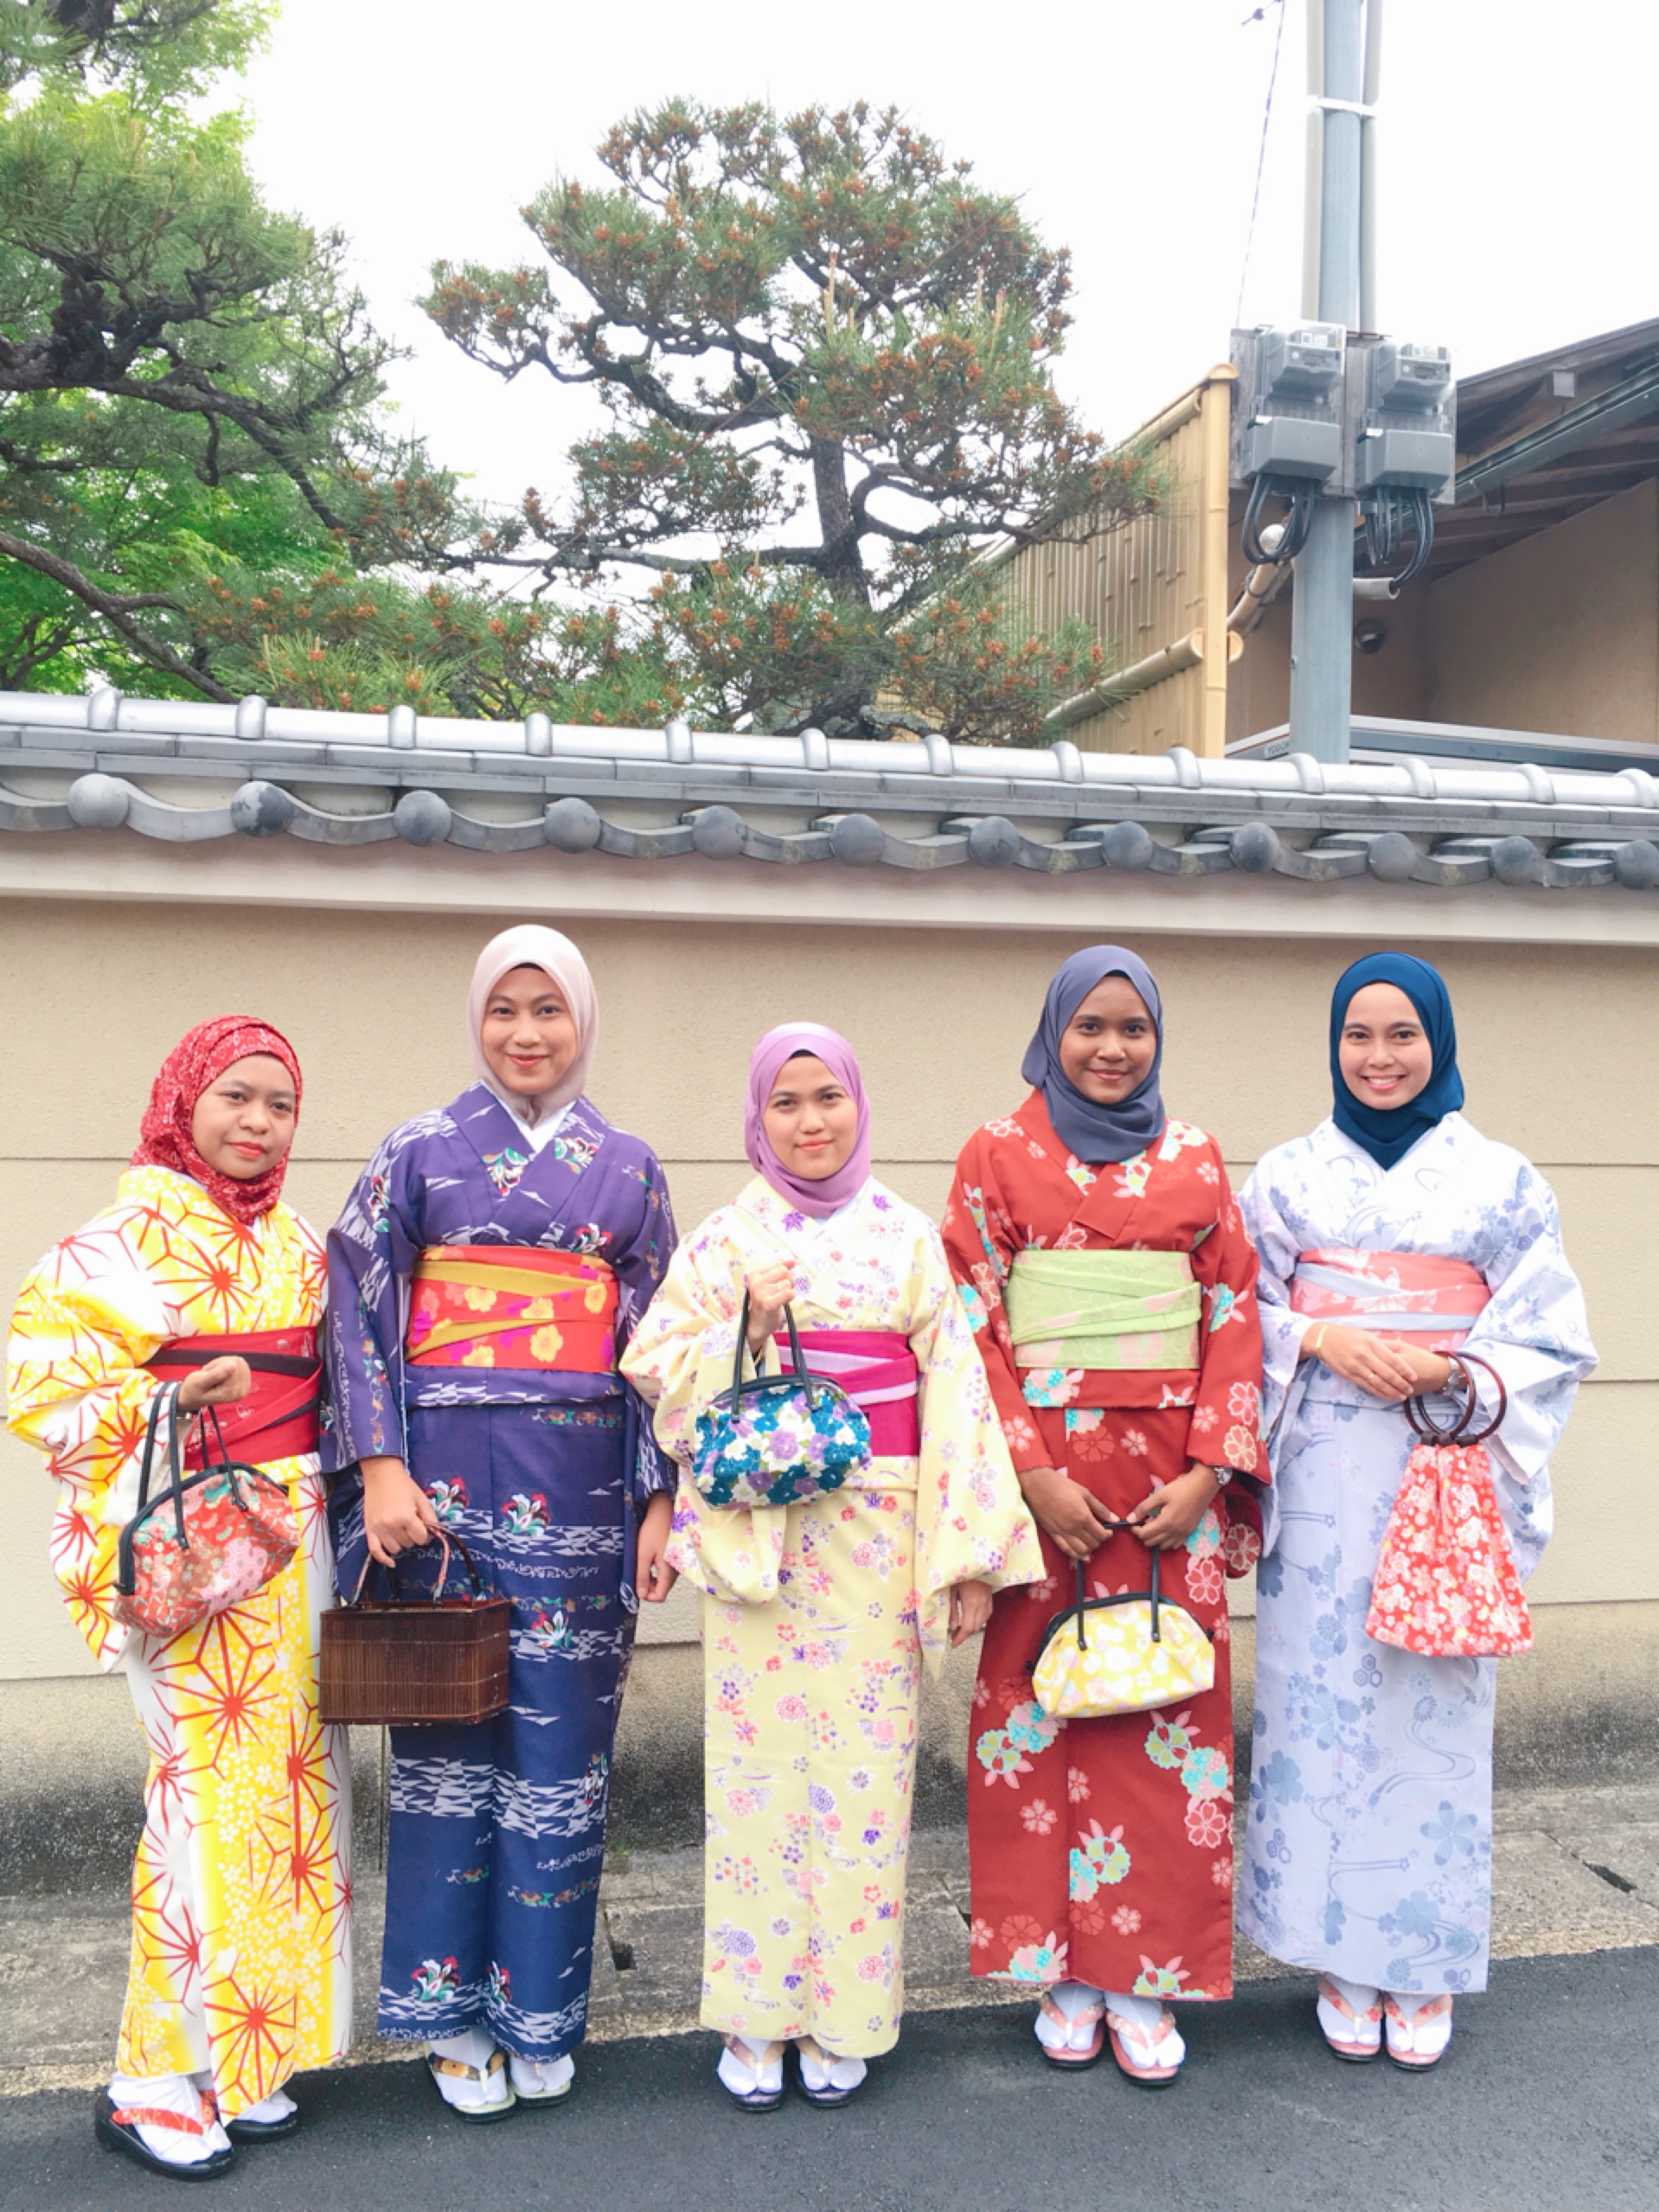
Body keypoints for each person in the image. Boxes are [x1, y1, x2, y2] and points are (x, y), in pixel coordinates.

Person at [620, 1023, 1040, 2110]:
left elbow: (957, 1395)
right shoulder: (726, 1237)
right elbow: (652, 1361)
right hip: (763, 1535)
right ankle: (757, 2014)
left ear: (858, 1103)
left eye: (828, 1097)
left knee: (866, 1779)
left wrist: (965, 1560)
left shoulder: (907, 1237)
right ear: (756, 1118)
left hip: (877, 1532)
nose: (810, 1121)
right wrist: (745, 1330)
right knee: (755, 1779)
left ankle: (845, 2010)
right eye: (786, 1102)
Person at [323, 925, 676, 2120]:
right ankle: (448, 2015)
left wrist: (658, 1497)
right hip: (439, 1492)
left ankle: (540, 2010)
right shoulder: (418, 1149)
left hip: (585, 1490)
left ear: (583, 1022)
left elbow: (661, 1346)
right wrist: (379, 1465)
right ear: (476, 1021)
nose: (527, 1032)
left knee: (562, 1757)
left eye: (549, 1009)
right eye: (504, 1010)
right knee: (446, 1749)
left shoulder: (629, 1168)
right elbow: (357, 1302)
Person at [1237, 951, 1595, 2069]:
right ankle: (1335, 1953)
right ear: (1332, 1043)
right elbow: (1233, 1310)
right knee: (1318, 1704)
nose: (1379, 1056)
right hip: (1321, 1464)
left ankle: (1421, 1958)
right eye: (1358, 1034)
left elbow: (1547, 1333)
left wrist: (1454, 1369)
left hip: (1442, 1468)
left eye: (1402, 1034)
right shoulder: (1285, 1178)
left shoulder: (1501, 1181)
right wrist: (1318, 1335)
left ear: (1436, 1041)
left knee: (1429, 1708)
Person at [7, 1017, 349, 2180]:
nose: (257, 1122)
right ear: (182, 1099)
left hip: (291, 1540)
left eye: (280, 1104)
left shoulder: (297, 1242)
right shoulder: (117, 1241)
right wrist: (166, 1403)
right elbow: (40, 1388)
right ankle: (149, 2079)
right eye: (235, 1095)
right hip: (190, 1543)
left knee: (287, 1802)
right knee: (197, 1804)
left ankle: (239, 2057)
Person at [939, 946, 1266, 2087]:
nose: (1111, 1048)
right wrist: (1029, 1474)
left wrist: (1210, 1473)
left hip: (1167, 1488)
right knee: (1041, 1717)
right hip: (1044, 1490)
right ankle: (1059, 1970)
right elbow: (970, 1321)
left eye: (1133, 1027)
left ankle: (1147, 1972)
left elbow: (1233, 1310)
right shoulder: (995, 1153)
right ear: (1052, 1034)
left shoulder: (1197, 1157)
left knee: (1161, 1723)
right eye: (1089, 1026)